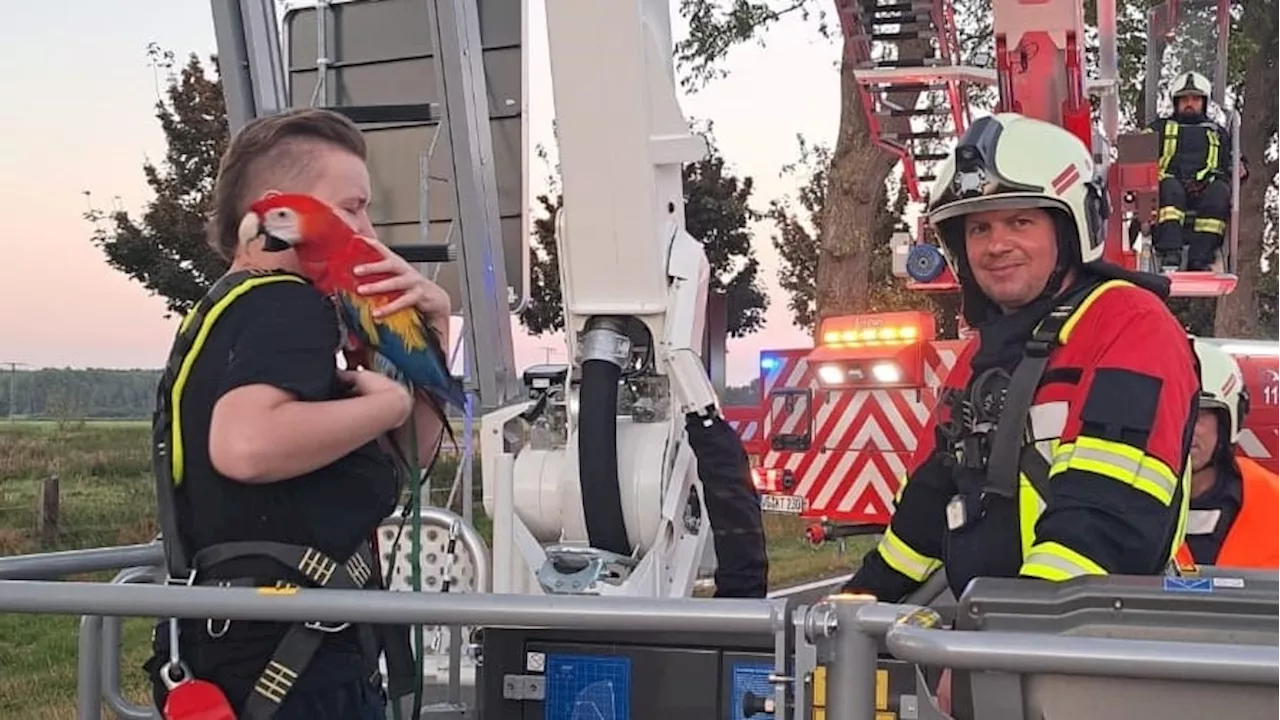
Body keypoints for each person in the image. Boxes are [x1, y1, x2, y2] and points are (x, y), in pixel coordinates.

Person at [143, 107, 452, 720]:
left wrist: (431, 337)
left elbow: (408, 456)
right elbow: (245, 447)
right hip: (293, 673)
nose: (369, 228)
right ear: (275, 210)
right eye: (353, 206)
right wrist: (389, 401)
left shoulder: (233, 314)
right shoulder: (287, 305)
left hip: (256, 656)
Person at [843, 113, 1198, 603]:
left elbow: (1107, 520)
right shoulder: (981, 356)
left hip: (1088, 644)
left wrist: (1009, 642)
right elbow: (929, 501)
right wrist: (859, 599)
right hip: (1006, 637)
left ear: (1070, 229)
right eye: (979, 228)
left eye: (1020, 221)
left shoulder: (1130, 323)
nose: (996, 246)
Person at [1174, 339, 1280, 569]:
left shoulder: (1273, 502)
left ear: (1229, 421)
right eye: (1174, 411)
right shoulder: (1121, 506)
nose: (1186, 426)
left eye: (1200, 413)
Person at [1147, 70, 1247, 272]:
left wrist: (1242, 168)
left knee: (1220, 193)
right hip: (1169, 183)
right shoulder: (1159, 128)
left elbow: (1232, 159)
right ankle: (1170, 253)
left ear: (1204, 102)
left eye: (1195, 99)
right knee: (1169, 189)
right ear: (1176, 102)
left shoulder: (1218, 132)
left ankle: (1200, 258)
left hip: (1206, 185)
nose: (1189, 103)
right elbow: (1137, 150)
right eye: (1184, 99)